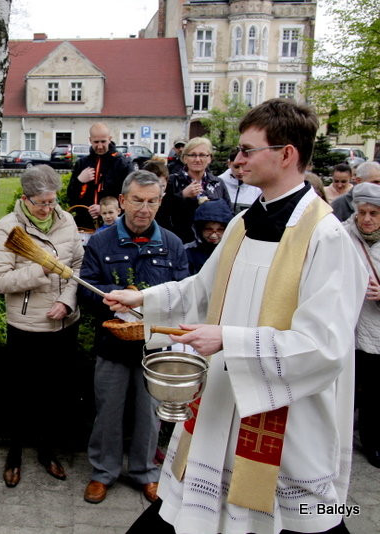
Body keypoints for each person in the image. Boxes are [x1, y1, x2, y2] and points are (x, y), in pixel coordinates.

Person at [106, 99, 367, 534]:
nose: (236, 160)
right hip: (224, 400)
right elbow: (201, 290)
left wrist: (230, 339)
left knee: (299, 521)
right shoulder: (244, 222)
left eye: (247, 150)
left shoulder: (326, 237)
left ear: (286, 154)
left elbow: (325, 345)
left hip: (285, 417)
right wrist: (142, 300)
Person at [80, 170, 189, 506]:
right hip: (113, 345)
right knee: (108, 412)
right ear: (123, 201)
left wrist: (150, 304)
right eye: (138, 200)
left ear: (160, 201)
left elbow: (184, 294)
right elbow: (85, 290)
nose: (145, 208)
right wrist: (113, 297)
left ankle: (145, 472)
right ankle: (103, 473)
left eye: (152, 201)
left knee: (150, 413)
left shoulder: (171, 244)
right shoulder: (101, 241)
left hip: (154, 347)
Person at [0, 164, 84, 488]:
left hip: (62, 324)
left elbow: (78, 265)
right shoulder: (8, 228)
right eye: (42, 202)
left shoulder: (66, 220)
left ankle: (47, 452)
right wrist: (39, 271)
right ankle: (14, 454)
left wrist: (67, 302)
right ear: (26, 199)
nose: (48, 208)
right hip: (27, 326)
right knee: (22, 395)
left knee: (54, 393)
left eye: (52, 201)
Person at [342, 182, 380, 469]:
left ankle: (372, 442)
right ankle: (339, 439)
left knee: (375, 393)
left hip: (376, 330)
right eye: (362, 212)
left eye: (374, 213)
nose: (366, 219)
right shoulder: (342, 236)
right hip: (348, 327)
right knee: (347, 389)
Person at [158, 137, 232, 244]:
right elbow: (161, 214)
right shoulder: (173, 181)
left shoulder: (217, 183)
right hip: (180, 242)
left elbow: (228, 213)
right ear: (185, 158)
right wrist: (182, 195)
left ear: (209, 158)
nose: (197, 159)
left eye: (202, 155)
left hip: (211, 244)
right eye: (192, 155)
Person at [67, 123, 133, 230]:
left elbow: (129, 196)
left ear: (110, 139)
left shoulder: (123, 164)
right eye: (96, 142)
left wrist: (104, 209)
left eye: (103, 141)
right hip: (85, 223)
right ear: (90, 140)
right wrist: (79, 181)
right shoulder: (82, 163)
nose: (100, 146)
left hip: (113, 224)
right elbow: (71, 197)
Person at [184, 199, 233, 275]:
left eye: (220, 230)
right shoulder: (187, 252)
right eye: (209, 229)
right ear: (199, 230)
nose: (214, 235)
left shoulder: (232, 252)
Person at [218, 147, 262, 213]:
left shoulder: (258, 186)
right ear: (229, 164)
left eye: (244, 166)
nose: (240, 171)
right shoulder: (218, 183)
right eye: (236, 167)